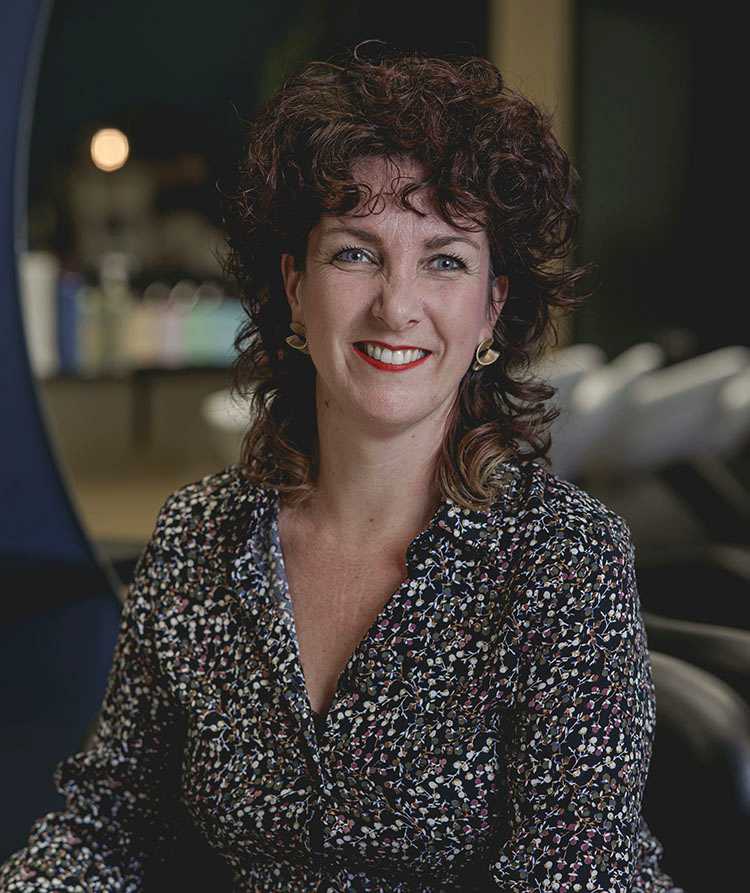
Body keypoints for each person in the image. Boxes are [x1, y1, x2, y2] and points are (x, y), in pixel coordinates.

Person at [0, 43, 684, 892]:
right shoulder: (200, 539)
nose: (397, 305)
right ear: (295, 287)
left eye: (444, 259)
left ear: (491, 309)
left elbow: (576, 874)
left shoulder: (562, 559)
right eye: (356, 253)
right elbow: (110, 822)